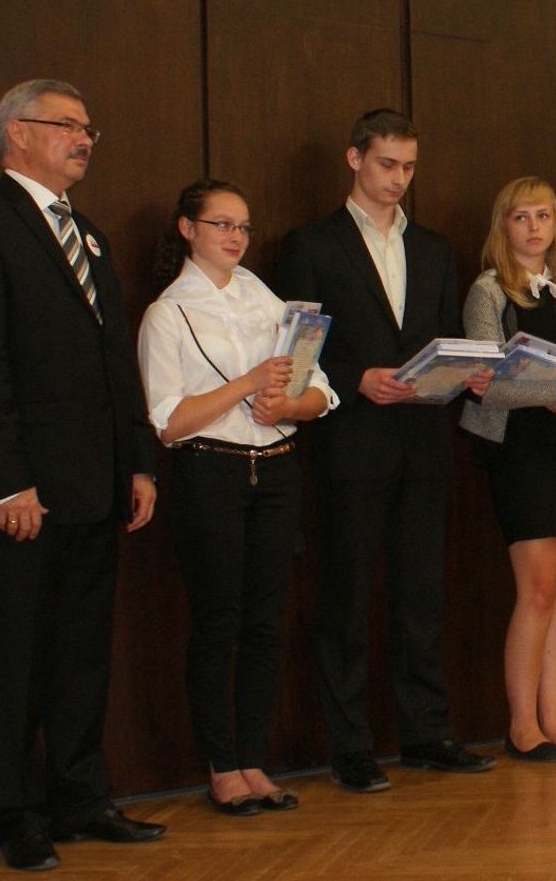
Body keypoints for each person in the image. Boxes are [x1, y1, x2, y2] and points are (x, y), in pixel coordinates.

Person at [0, 78, 161, 871]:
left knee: (81, 653)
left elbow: (114, 361)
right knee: (18, 657)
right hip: (24, 494)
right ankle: (12, 811)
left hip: (97, 484)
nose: (84, 138)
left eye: (88, 127)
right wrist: (6, 482)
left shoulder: (86, 234)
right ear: (17, 134)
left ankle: (79, 797)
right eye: (66, 124)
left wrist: (138, 461)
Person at [275, 109, 494, 793]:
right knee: (344, 598)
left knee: (420, 597)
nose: (398, 178)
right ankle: (350, 747)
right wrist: (354, 379)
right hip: (350, 444)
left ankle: (426, 735)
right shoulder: (310, 244)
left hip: (424, 445)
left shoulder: (434, 248)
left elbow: (445, 336)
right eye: (386, 164)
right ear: (354, 160)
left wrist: (466, 372)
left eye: (408, 167)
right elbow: (295, 354)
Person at [137, 179, 336, 814]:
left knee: (264, 622)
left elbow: (320, 393)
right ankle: (221, 766)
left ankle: (253, 759)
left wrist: (288, 404)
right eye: (221, 224)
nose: (236, 237)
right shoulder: (168, 313)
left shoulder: (267, 300)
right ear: (187, 229)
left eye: (244, 227)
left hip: (276, 470)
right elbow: (168, 422)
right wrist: (248, 384)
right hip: (210, 473)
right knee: (218, 623)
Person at [459, 177, 556, 762]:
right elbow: (487, 383)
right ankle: (522, 724)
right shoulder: (487, 291)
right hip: (520, 451)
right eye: (521, 217)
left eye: (543, 216)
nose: (533, 227)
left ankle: (555, 718)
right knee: (538, 588)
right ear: (503, 225)